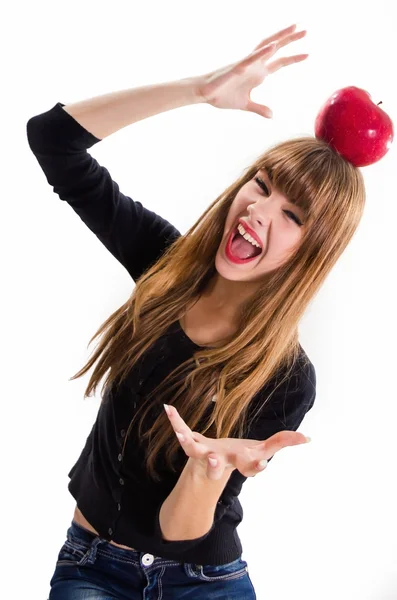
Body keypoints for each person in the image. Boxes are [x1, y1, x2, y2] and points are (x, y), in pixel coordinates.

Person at [27, 23, 365, 600]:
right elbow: (53, 141)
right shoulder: (164, 264)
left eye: (293, 216)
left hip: (204, 580)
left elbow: (177, 532)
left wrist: (207, 472)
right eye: (261, 186)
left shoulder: (286, 378)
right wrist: (198, 91)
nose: (259, 210)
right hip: (91, 566)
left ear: (312, 252)